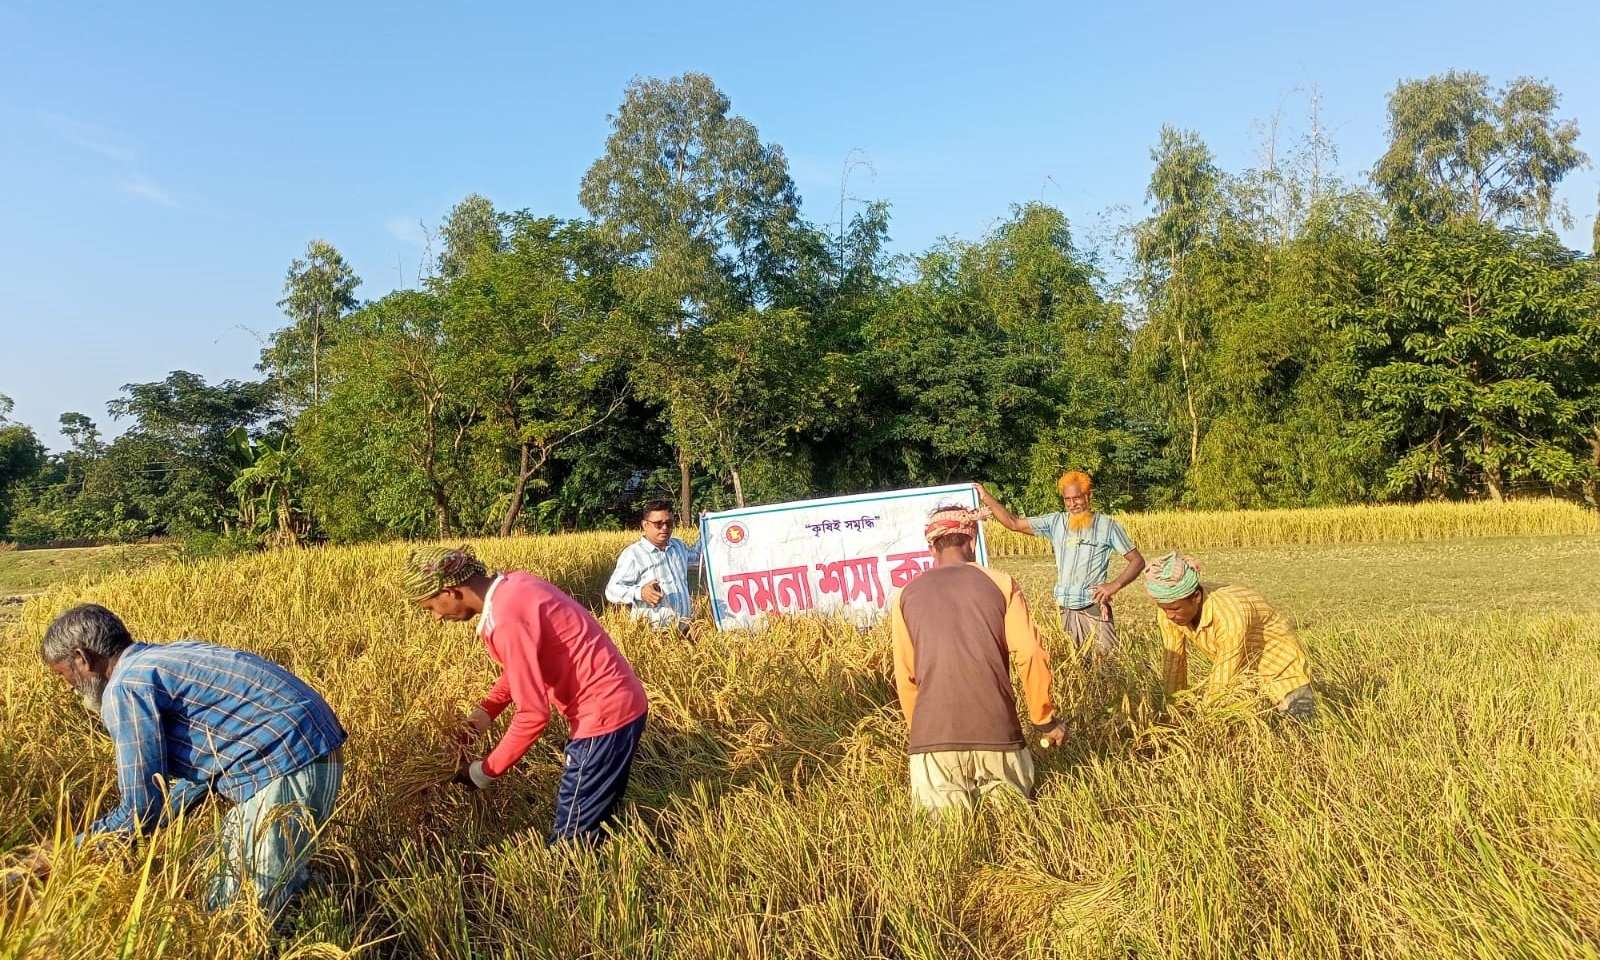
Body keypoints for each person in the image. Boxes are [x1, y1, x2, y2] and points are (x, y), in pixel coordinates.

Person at [36, 603, 346, 914]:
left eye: (64, 675)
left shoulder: (126, 687)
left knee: (236, 912)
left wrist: (68, 853)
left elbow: (141, 809)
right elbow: (200, 777)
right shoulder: (162, 659)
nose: (70, 688)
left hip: (284, 763)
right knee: (236, 880)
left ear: (82, 658)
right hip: (307, 754)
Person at [407, 545, 649, 843]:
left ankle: (574, 882)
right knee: (595, 819)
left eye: (430, 607)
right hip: (623, 703)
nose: (435, 617)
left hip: (602, 719)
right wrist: (486, 712)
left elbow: (533, 715)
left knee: (572, 840)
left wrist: (483, 772)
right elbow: (524, 664)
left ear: (450, 590)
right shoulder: (514, 585)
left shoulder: (505, 619)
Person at [888, 505, 1065, 813]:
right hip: (998, 736)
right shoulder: (1002, 583)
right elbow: (1030, 653)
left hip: (933, 742)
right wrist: (1043, 719)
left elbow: (906, 677)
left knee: (947, 846)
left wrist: (925, 735)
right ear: (972, 541)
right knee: (1013, 835)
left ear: (931, 547)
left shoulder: (906, 595)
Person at [978, 471, 1144, 661]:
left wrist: (1114, 585)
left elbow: (1137, 561)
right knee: (1075, 666)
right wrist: (986, 497)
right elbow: (1013, 523)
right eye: (1067, 499)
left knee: (1106, 664)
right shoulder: (1055, 522)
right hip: (1065, 609)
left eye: (1077, 498)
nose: (1072, 504)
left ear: (1088, 496)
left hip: (1094, 608)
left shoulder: (1108, 527)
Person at [1142, 551, 1316, 719]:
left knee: (1299, 727)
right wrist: (1175, 710)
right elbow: (1174, 662)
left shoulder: (1229, 613)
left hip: (1280, 666)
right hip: (1243, 674)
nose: (1169, 615)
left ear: (1195, 597)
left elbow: (1223, 675)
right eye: (1164, 609)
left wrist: (1204, 717)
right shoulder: (1168, 613)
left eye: (1174, 609)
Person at [605, 499, 701, 631]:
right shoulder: (633, 554)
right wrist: (640, 592)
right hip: (652, 636)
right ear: (645, 525)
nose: (665, 528)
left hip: (685, 630)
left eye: (669, 523)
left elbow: (698, 558)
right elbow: (611, 590)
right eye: (658, 524)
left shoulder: (678, 546)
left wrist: (707, 528)